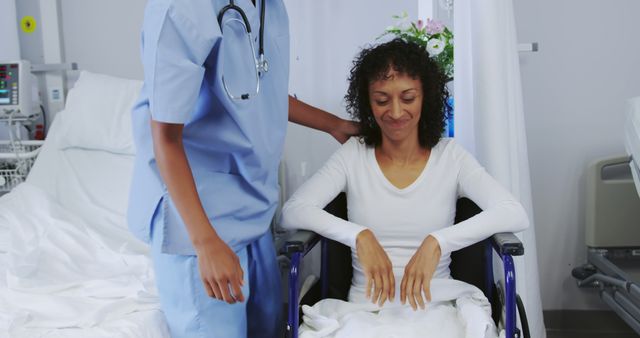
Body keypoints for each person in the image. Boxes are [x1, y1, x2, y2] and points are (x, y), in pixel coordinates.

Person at [126, 0, 357, 337]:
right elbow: (165, 137)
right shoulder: (182, 9)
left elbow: (260, 90)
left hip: (252, 206)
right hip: (198, 213)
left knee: (267, 326)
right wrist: (205, 244)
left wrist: (335, 125)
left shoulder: (269, 8)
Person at [281, 39, 529, 337]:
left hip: (437, 310)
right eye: (382, 100)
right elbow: (293, 211)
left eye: (408, 98)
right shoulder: (353, 154)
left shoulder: (450, 156)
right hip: (364, 314)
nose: (395, 112)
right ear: (367, 101)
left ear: (426, 97)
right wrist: (359, 236)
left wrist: (437, 242)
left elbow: (514, 213)